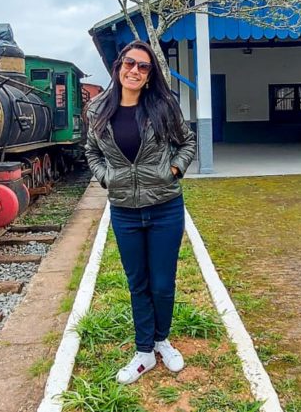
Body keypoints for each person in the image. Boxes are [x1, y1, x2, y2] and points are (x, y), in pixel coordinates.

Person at [84, 40, 197, 385]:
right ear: (119, 67)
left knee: (162, 284)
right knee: (138, 284)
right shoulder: (98, 110)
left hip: (165, 207)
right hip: (125, 211)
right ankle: (144, 351)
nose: (134, 70)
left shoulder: (163, 106)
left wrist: (173, 171)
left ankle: (162, 339)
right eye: (129, 63)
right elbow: (92, 152)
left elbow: (187, 142)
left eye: (143, 66)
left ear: (150, 75)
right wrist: (106, 178)